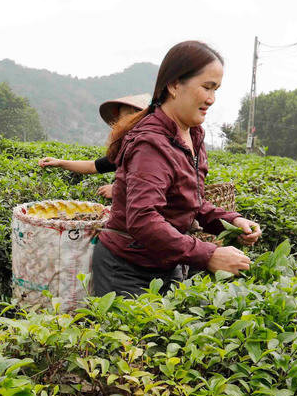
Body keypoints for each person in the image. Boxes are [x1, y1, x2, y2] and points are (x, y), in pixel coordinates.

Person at [92, 41, 262, 297]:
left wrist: (231, 221)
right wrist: (209, 255)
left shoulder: (193, 135)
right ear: (173, 85)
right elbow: (144, 220)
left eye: (216, 89)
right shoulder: (151, 143)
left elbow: (190, 202)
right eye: (206, 87)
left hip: (166, 261)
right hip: (127, 269)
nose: (211, 99)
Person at [37, 93, 149, 197]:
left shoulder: (149, 148)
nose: (122, 123)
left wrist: (118, 190)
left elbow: (153, 185)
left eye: (129, 117)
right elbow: (93, 166)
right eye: (121, 119)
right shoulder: (125, 150)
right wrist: (59, 162)